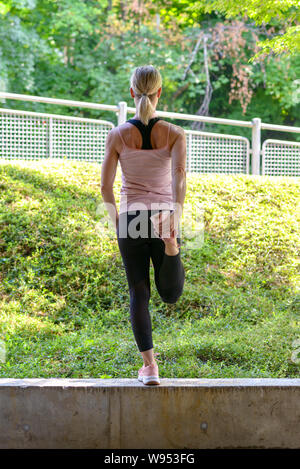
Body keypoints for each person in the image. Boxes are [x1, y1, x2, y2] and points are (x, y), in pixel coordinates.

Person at [100, 65, 187, 385]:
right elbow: (179, 175)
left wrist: (118, 223)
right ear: (159, 93)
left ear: (132, 92)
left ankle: (149, 367)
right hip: (164, 214)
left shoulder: (118, 135)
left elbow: (105, 188)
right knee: (170, 294)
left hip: (131, 217)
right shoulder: (175, 133)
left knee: (139, 292)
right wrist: (175, 215)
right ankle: (172, 245)